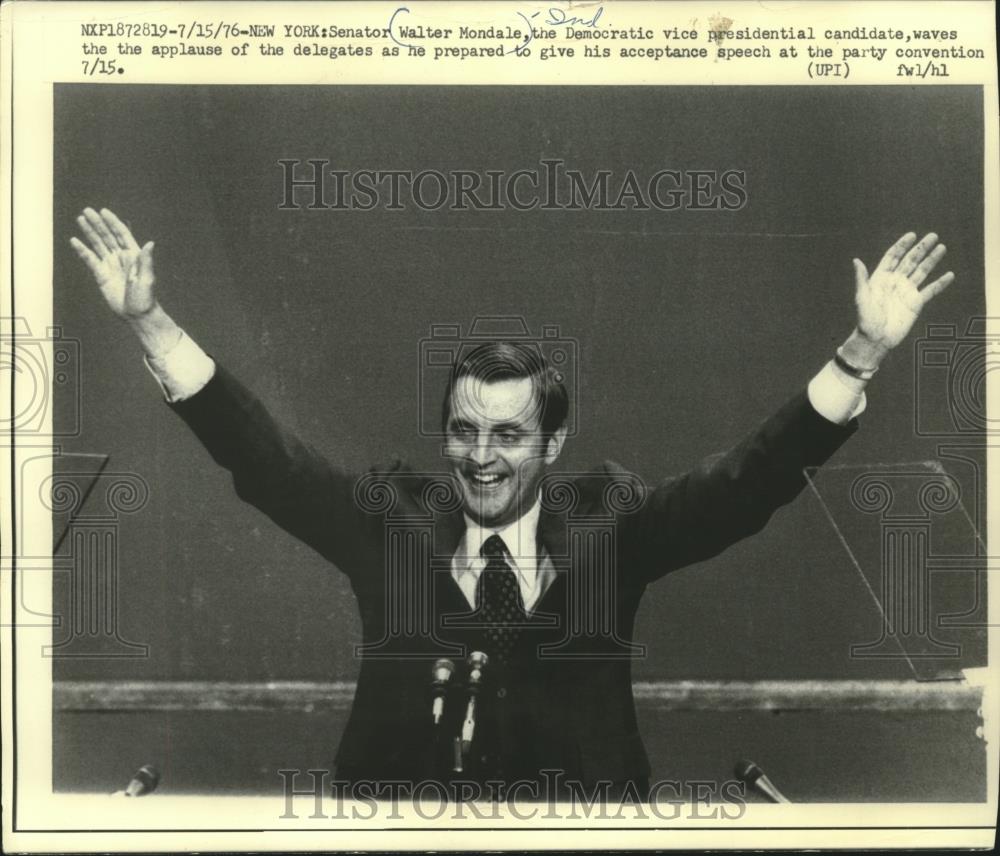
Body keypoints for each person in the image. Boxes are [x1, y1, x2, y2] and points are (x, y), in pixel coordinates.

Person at [70, 207, 954, 800]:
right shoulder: (392, 521)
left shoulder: (613, 524)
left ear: (553, 445)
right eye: (464, 433)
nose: (481, 459)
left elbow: (745, 485)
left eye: (508, 437)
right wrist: (149, 323)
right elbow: (269, 462)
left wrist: (860, 353)